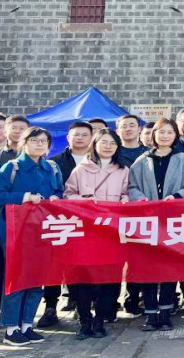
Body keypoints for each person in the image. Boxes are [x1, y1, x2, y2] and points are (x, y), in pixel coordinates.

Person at [0, 127, 63, 346]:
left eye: (44, 141)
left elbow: (59, 191)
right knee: (17, 277)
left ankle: (27, 325)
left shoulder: (52, 168)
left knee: (37, 279)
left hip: (44, 231)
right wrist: (24, 197)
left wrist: (56, 198)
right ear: (24, 143)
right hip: (15, 232)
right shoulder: (12, 167)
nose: (39, 144)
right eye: (34, 140)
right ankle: (11, 328)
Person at [128, 118, 184, 328]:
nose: (165, 136)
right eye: (161, 132)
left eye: (169, 132)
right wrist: (141, 198)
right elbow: (131, 187)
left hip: (174, 220)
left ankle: (166, 311)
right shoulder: (141, 161)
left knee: (171, 267)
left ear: (175, 135)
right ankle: (150, 312)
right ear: (154, 135)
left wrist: (177, 196)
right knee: (147, 267)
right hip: (147, 220)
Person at [64, 129, 130, 339]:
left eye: (112, 143)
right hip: (86, 231)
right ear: (95, 144)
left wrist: (126, 200)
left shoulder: (123, 170)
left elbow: (128, 192)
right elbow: (68, 194)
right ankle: (84, 320)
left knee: (109, 278)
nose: (108, 146)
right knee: (83, 277)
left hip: (112, 232)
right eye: (104, 142)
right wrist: (84, 201)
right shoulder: (80, 169)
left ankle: (100, 320)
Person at [36, 121, 94, 327]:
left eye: (84, 135)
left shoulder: (98, 161)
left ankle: (81, 305)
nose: (80, 138)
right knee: (54, 265)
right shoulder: (54, 162)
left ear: (91, 138)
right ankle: (50, 306)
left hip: (89, 221)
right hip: (60, 220)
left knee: (80, 265)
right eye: (76, 134)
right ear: (68, 138)